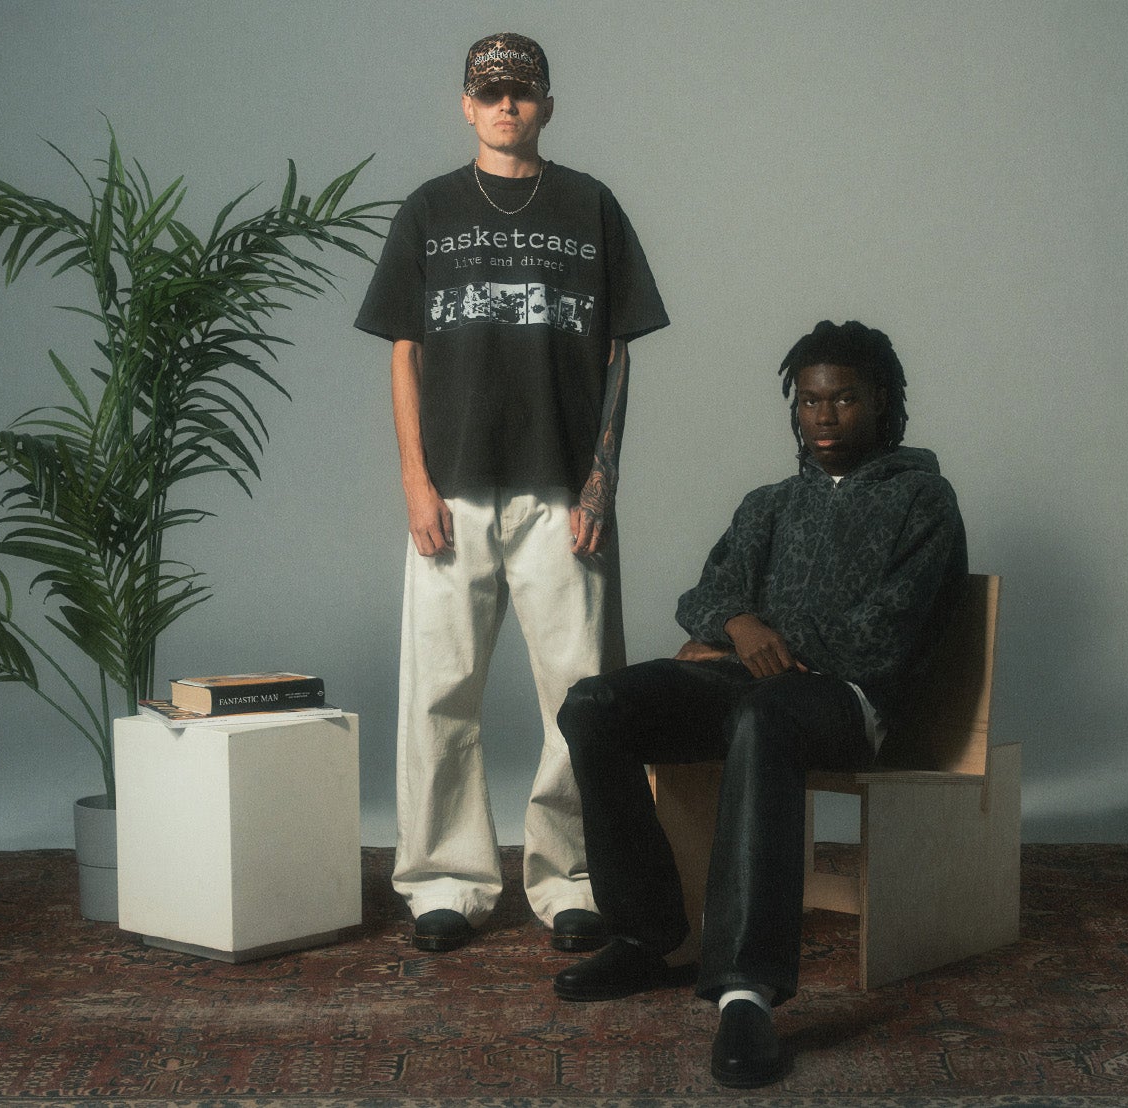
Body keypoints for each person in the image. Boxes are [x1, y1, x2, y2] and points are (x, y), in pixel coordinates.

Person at [550, 320, 967, 1088]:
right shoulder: (770, 503)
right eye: (809, 401)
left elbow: (883, 637)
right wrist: (741, 626)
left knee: (761, 714)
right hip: (749, 689)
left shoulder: (923, 501)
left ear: (881, 400)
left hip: (849, 702)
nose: (824, 417)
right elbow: (705, 597)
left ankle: (746, 994)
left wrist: (762, 638)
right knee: (595, 704)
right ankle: (647, 938)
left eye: (843, 399)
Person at [354, 33, 670, 954]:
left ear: (547, 106)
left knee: (582, 698)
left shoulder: (590, 205)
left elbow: (617, 352)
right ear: (466, 104)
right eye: (490, 93)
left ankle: (573, 878)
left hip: (562, 492)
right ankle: (443, 881)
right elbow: (405, 352)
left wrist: (602, 480)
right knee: (438, 693)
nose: (505, 106)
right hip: (452, 491)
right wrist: (414, 481)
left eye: (521, 93)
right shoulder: (429, 209)